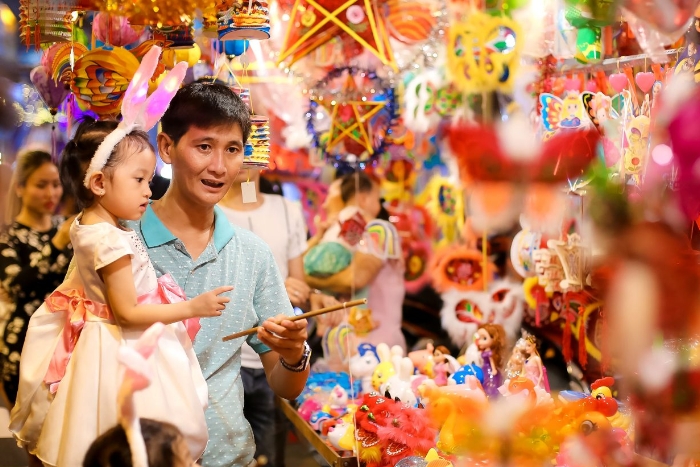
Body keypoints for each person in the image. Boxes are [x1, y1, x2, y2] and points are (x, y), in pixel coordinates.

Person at [11, 55, 220, 466]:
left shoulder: (92, 227)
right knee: (128, 435)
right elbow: (125, 312)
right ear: (100, 183)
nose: (149, 190)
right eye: (139, 180)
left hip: (103, 343)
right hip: (116, 351)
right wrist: (192, 307)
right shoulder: (107, 240)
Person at [132, 81, 310, 467]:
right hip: (137, 456)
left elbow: (284, 384)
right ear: (166, 147)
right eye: (204, 146)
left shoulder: (252, 254)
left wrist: (294, 354)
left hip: (228, 456)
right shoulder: (120, 242)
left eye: (232, 150)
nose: (219, 166)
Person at [219, 168, 338, 467]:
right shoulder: (210, 211)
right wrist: (264, 287)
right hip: (225, 358)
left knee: (269, 455)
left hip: (276, 355)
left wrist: (309, 293)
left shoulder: (288, 210)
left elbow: (296, 285)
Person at [0, 150, 72, 408]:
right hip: (25, 340)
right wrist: (56, 244)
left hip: (68, 337)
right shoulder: (9, 238)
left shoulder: (68, 226)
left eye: (55, 184)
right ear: (20, 188)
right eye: (41, 185)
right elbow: (18, 285)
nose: (51, 193)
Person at [306, 172, 407, 351]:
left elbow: (355, 280)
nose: (379, 207)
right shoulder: (355, 229)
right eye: (377, 200)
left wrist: (309, 280)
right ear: (363, 199)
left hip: (376, 345)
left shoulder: (379, 232)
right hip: (347, 344)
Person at [303, 172, 382, 280]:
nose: (324, 204)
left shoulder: (343, 217)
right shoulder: (357, 216)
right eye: (378, 200)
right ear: (362, 199)